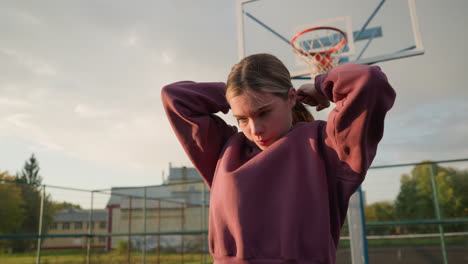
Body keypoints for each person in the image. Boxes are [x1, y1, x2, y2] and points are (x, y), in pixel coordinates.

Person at [161, 53, 396, 264]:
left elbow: (370, 81)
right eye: (242, 118)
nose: (255, 129)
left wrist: (321, 87)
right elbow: (175, 97)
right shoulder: (225, 150)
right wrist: (235, 94)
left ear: (291, 98)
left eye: (263, 112)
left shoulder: (328, 147)